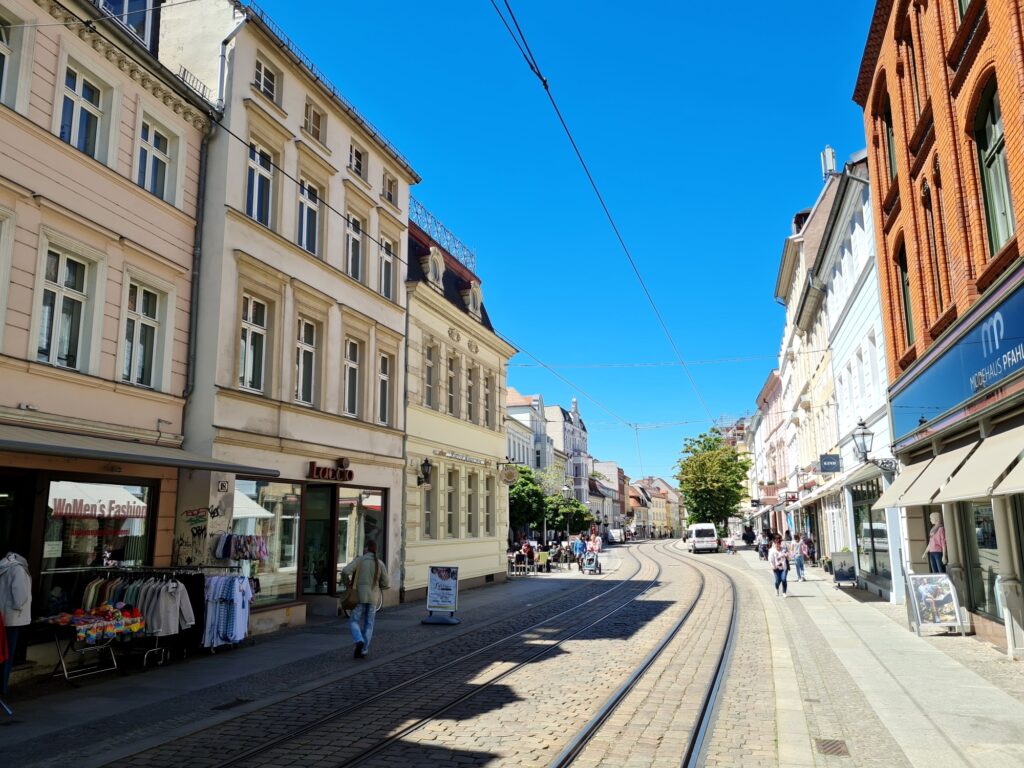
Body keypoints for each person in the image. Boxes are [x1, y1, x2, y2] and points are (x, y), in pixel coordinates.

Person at [341, 540, 389, 659]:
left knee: (353, 620)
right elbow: (386, 583)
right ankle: (364, 650)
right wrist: (379, 586)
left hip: (359, 597)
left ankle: (359, 639)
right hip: (373, 598)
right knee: (369, 623)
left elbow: (345, 571)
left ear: (366, 548)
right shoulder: (380, 563)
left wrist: (347, 583)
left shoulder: (360, 560)